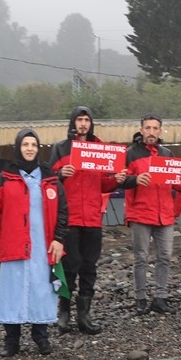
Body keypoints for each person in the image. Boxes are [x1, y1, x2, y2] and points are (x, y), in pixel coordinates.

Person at [0, 130, 68, 357]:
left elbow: (63, 211)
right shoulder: (6, 176)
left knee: (42, 289)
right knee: (13, 291)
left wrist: (59, 239)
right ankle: (12, 341)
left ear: (39, 148)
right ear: (18, 147)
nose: (30, 148)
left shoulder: (50, 177)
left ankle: (41, 337)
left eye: (34, 145)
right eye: (25, 144)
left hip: (43, 245)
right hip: (15, 244)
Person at [49, 106, 119, 334]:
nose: (83, 124)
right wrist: (60, 174)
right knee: (70, 266)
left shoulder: (100, 149)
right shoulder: (60, 149)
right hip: (69, 217)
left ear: (91, 123)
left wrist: (116, 180)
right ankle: (64, 311)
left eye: (86, 120)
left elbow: (104, 184)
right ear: (73, 122)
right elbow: (48, 180)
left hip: (92, 218)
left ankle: (84, 315)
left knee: (89, 266)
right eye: (79, 119)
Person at [121, 114, 181, 315]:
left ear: (160, 131)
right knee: (141, 257)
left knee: (165, 257)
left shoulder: (167, 153)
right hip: (141, 213)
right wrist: (134, 180)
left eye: (155, 128)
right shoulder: (130, 153)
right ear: (141, 130)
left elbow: (176, 181)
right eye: (148, 128)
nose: (151, 132)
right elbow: (119, 179)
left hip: (164, 215)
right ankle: (140, 298)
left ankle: (160, 297)